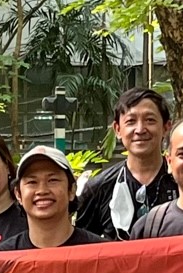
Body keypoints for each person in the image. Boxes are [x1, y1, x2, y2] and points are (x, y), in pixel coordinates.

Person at [75, 87, 177, 238]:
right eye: (131, 121)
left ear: (166, 127)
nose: (140, 129)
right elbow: (83, 248)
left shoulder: (182, 183)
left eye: (150, 120)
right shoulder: (98, 189)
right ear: (117, 129)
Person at [3, 146, 106, 250]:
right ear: (18, 194)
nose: (42, 191)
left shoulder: (102, 253)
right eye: (32, 182)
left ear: (72, 190)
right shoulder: (2, 258)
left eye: (53, 180)